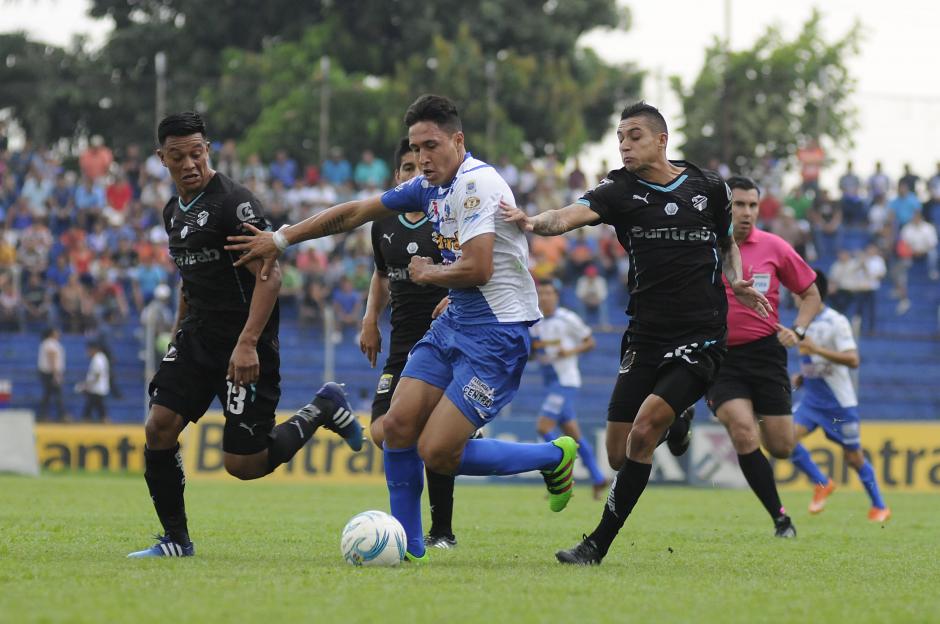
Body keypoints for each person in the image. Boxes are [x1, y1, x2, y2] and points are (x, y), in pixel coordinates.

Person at [226, 94, 581, 562]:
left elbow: (478, 270)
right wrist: (281, 237)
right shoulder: (428, 186)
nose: (422, 159)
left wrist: (429, 274)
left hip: (497, 335)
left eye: (432, 146)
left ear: (458, 140)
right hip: (454, 323)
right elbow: (353, 212)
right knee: (394, 429)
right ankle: (411, 549)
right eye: (415, 149)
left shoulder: (478, 184)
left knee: (437, 452)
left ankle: (553, 457)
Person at [500, 101, 772, 565]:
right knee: (618, 455)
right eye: (620, 137)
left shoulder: (709, 187)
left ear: (661, 140)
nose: (625, 144)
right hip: (645, 335)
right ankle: (679, 417)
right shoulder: (619, 189)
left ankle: (595, 546)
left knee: (644, 433)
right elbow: (569, 215)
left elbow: (727, 244)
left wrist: (737, 280)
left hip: (701, 335)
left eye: (634, 136)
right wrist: (532, 222)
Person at [128, 112, 363, 559]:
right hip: (198, 338)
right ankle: (176, 539)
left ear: (208, 149)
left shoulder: (234, 204)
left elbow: (269, 278)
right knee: (158, 428)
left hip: (245, 343)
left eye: (197, 152)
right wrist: (180, 333)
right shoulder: (171, 211)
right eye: (178, 156)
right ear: (162, 159)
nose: (190, 163)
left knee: (244, 464)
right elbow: (188, 278)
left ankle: (322, 408)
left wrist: (248, 342)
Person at [704, 176, 822, 538]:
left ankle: (751, 411)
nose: (746, 213)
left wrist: (798, 331)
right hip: (720, 356)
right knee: (742, 431)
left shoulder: (775, 247)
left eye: (752, 205)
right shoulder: (706, 246)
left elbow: (811, 295)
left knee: (783, 447)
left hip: (766, 355)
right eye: (738, 204)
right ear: (725, 208)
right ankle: (781, 519)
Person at [359, 138, 459, 549]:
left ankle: (440, 532)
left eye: (420, 167)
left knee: (429, 441)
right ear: (395, 176)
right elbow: (382, 276)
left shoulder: (447, 217)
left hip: (446, 342)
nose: (413, 174)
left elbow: (472, 267)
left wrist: (453, 294)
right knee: (384, 431)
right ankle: (410, 528)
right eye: (405, 168)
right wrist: (369, 319)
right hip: (401, 346)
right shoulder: (383, 224)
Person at [787, 271, 891, 523]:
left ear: (808, 292)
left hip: (839, 405)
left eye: (795, 289)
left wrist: (816, 349)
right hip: (812, 400)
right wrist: (803, 375)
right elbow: (814, 360)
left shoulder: (836, 321)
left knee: (854, 458)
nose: (791, 293)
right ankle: (821, 482)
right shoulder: (802, 323)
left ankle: (879, 506)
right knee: (784, 440)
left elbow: (853, 359)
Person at [530, 280, 608, 499]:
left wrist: (570, 350)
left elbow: (590, 342)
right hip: (550, 384)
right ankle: (598, 478)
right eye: (541, 293)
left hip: (565, 382)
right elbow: (535, 352)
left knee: (544, 427)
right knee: (574, 435)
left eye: (549, 293)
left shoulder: (568, 318)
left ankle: (560, 479)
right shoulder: (535, 322)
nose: (544, 297)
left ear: (556, 296)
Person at [37, 327, 66, 421]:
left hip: (47, 373)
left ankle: (43, 414)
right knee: (57, 394)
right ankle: (61, 415)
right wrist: (56, 374)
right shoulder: (50, 343)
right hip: (50, 373)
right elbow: (52, 358)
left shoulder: (46, 343)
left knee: (48, 395)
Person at [77, 341, 109, 422]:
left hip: (96, 387)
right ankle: (102, 419)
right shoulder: (101, 357)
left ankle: (87, 419)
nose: (87, 352)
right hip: (98, 387)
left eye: (88, 350)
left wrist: (87, 385)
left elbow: (97, 375)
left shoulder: (97, 359)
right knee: (97, 407)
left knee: (92, 406)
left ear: (93, 349)